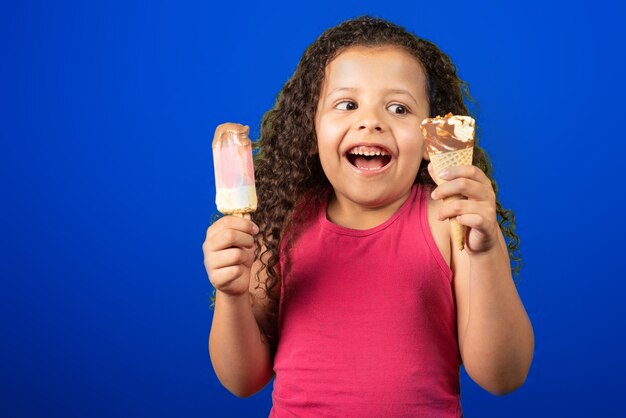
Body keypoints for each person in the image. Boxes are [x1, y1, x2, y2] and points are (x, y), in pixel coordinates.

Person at [203, 16, 534, 417]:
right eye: (347, 104)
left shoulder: (453, 222)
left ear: (432, 137)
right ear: (312, 127)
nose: (371, 121)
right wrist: (231, 294)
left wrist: (485, 254)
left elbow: (503, 376)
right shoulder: (280, 225)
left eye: (399, 108)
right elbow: (242, 381)